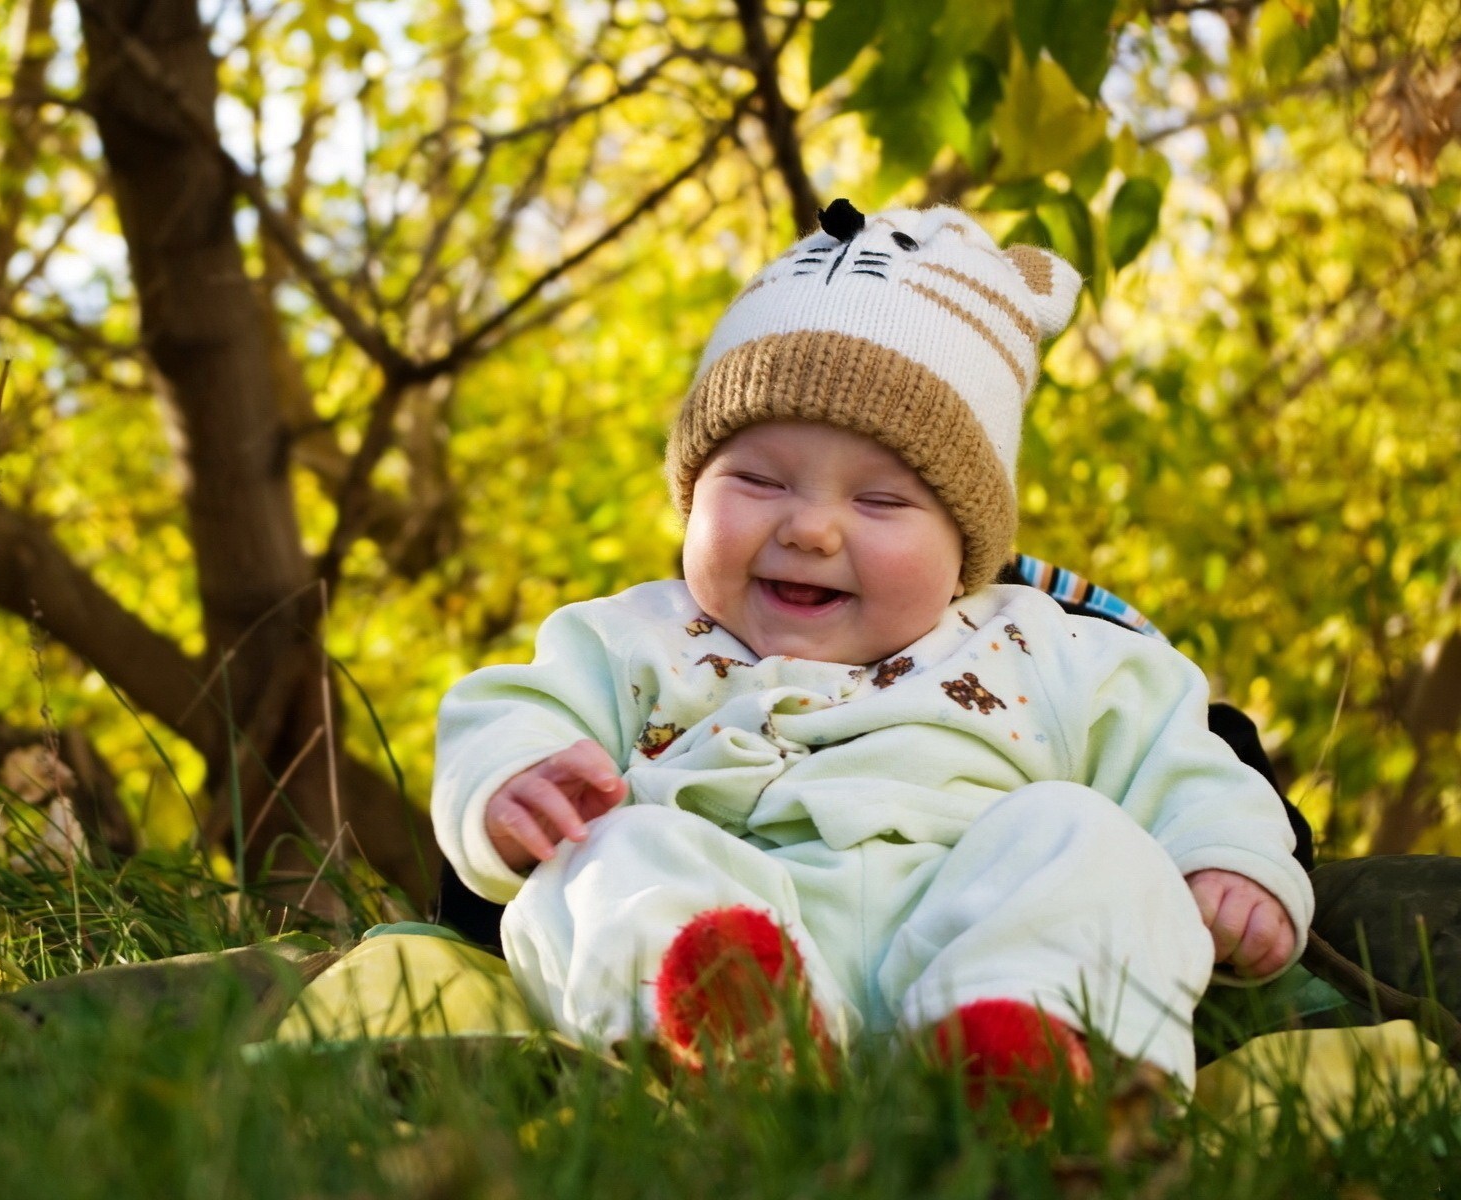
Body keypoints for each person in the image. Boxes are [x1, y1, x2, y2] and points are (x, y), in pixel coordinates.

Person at [429, 201, 1313, 1100]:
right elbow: (511, 710)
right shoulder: (631, 637)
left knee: (1085, 838)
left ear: (966, 545)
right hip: (731, 911)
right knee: (605, 856)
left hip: (970, 928)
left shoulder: (1048, 648)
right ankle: (724, 1028)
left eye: (882, 503)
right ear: (692, 497)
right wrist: (512, 781)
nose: (809, 527)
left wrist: (1229, 865)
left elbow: (1184, 760)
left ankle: (1021, 1048)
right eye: (759, 480)